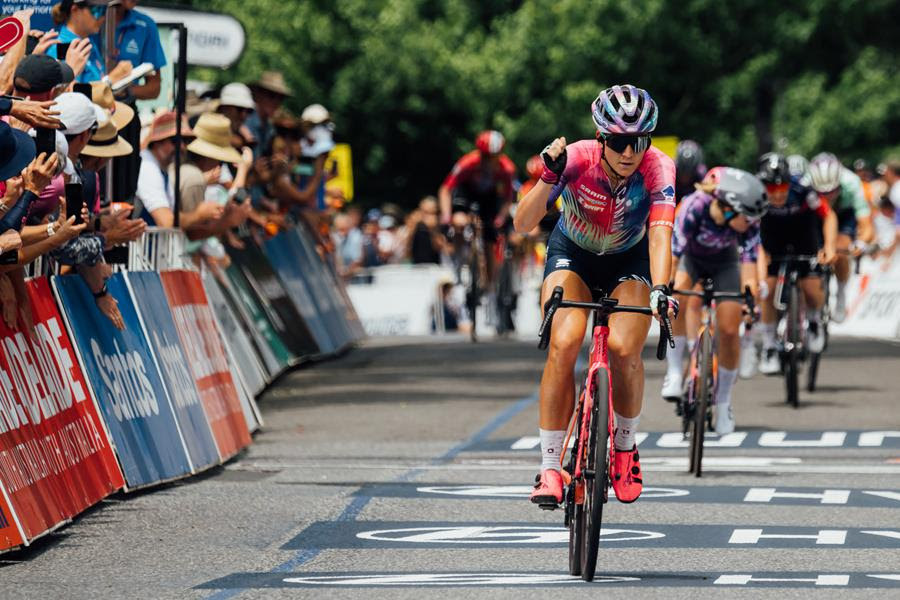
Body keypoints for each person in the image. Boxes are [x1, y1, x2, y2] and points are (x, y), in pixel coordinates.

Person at [514, 84, 677, 506]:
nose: (629, 152)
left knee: (624, 348)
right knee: (565, 342)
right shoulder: (575, 159)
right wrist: (548, 177)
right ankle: (551, 467)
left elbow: (661, 234)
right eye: (619, 141)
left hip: (630, 260)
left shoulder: (659, 168)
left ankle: (624, 447)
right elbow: (522, 223)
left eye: (638, 141)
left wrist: (660, 289)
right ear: (602, 139)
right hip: (574, 255)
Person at [661, 167, 767, 434]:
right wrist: (667, 289)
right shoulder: (694, 207)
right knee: (679, 295)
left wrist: (749, 299)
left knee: (730, 329)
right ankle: (674, 372)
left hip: (725, 264)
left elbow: (749, 265)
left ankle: (723, 402)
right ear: (730, 207)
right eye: (748, 217)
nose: (752, 222)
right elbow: (674, 256)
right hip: (691, 260)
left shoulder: (749, 222)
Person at [755, 153, 837, 375]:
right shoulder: (754, 193)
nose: (779, 194)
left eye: (783, 188)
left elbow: (828, 216)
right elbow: (750, 230)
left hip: (803, 235)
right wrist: (761, 253)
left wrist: (829, 246)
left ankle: (814, 321)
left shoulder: (803, 189)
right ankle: (770, 346)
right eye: (772, 189)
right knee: (767, 290)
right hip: (771, 238)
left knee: (811, 287)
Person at [438, 129, 515, 285]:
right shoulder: (467, 162)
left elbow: (508, 198)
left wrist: (500, 218)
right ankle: (459, 264)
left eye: (493, 157)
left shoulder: (507, 169)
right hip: (467, 193)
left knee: (490, 237)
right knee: (459, 222)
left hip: (489, 198)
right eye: (485, 157)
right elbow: (445, 189)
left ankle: (489, 284)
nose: (488, 162)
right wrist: (447, 216)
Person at [806, 153, 874, 322]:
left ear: (839, 184)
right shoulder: (805, 184)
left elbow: (866, 225)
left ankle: (841, 292)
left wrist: (861, 242)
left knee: (841, 249)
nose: (827, 195)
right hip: (815, 214)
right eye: (822, 191)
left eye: (832, 190)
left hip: (844, 214)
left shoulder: (851, 183)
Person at [49, 0, 132, 84]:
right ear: (75, 10)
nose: (103, 18)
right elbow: (68, 94)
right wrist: (110, 80)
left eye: (105, 11)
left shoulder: (88, 42)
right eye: (97, 10)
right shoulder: (59, 48)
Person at [135, 111, 193, 226]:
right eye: (175, 141)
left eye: (185, 141)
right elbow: (166, 222)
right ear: (157, 142)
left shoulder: (162, 168)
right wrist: (199, 214)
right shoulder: (147, 167)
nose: (181, 147)